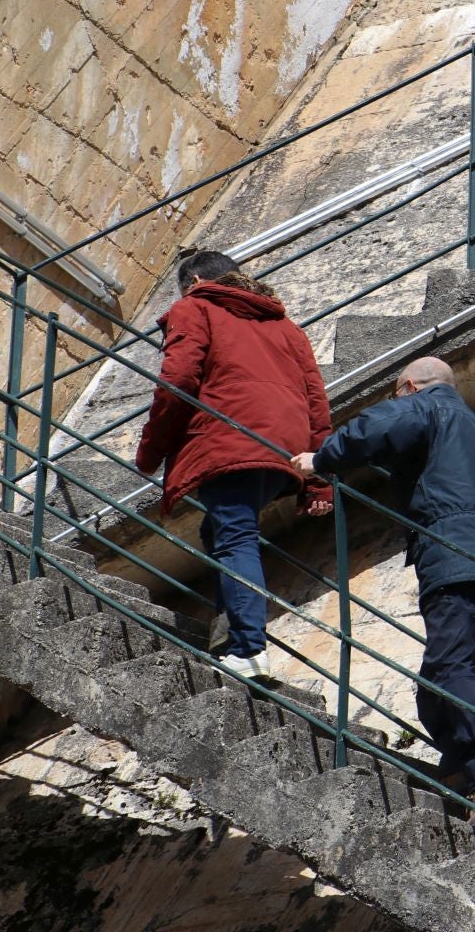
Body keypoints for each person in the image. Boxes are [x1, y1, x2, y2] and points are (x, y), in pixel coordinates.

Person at [293, 356, 475, 818]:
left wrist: (319, 460)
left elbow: (378, 429)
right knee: (435, 681)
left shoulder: (427, 407)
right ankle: (461, 772)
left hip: (455, 553)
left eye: (395, 394)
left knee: (447, 668)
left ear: (408, 386)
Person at [136, 250, 333, 681]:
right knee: (220, 529)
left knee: (233, 538)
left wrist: (150, 452)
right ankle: (231, 630)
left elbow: (179, 380)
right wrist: (317, 479)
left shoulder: (194, 307)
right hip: (285, 448)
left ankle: (248, 648)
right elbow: (317, 402)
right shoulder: (284, 326)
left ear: (192, 283)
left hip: (229, 440)